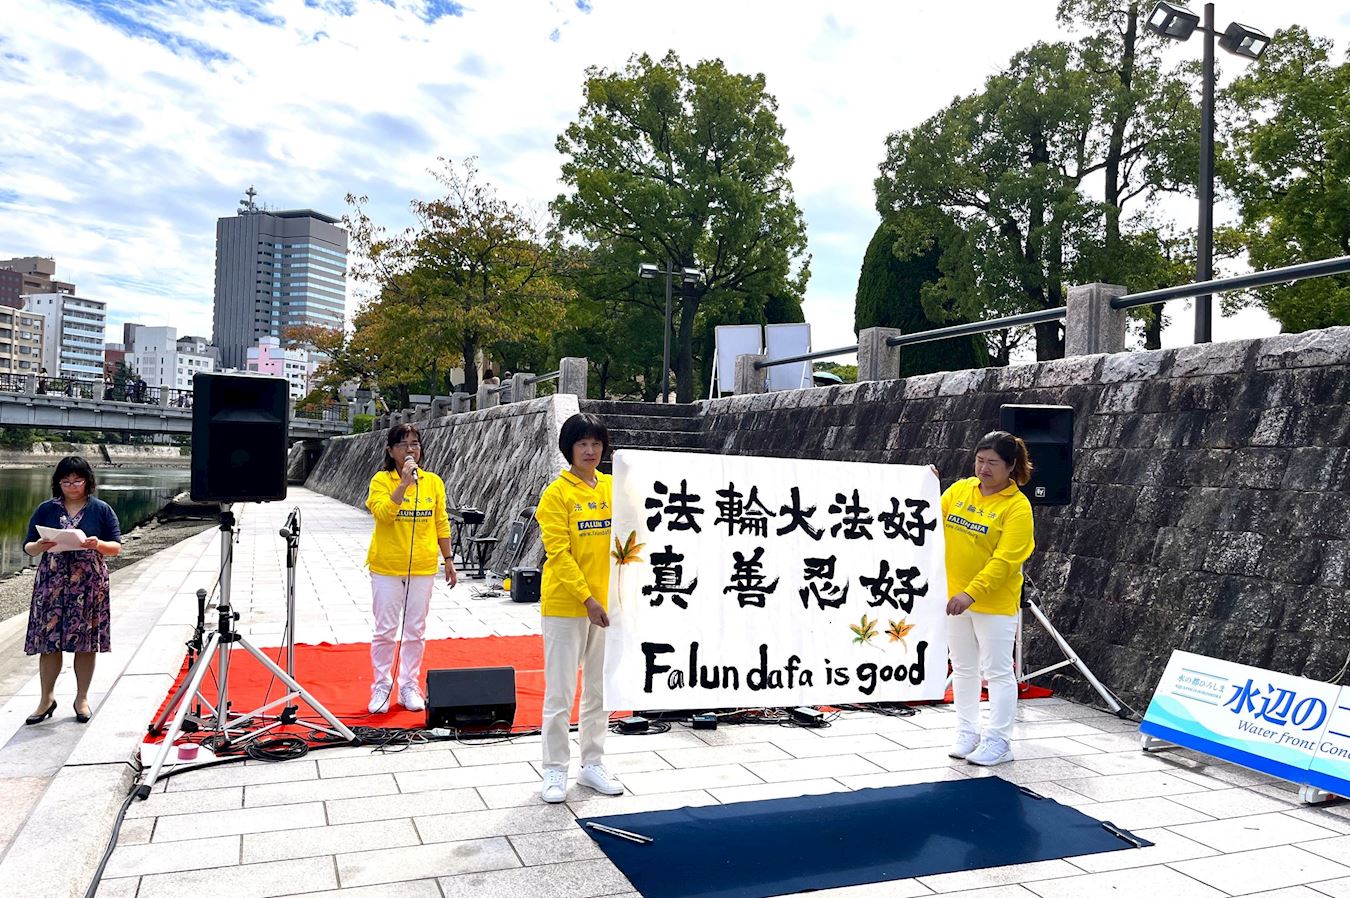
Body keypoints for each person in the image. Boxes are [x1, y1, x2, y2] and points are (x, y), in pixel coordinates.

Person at [536, 413, 624, 803]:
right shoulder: (556, 494)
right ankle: (555, 769)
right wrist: (587, 598)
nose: (590, 451)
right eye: (582, 444)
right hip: (567, 604)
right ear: (568, 448)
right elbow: (558, 553)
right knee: (560, 692)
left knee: (598, 689)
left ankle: (592, 763)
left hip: (606, 606)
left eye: (596, 443)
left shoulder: (612, 487)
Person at [938, 430, 1035, 767]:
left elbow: (1006, 561)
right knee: (963, 668)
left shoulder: (1017, 507)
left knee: (997, 671)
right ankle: (967, 731)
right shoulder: (960, 490)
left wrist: (971, 593)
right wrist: (924, 485)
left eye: (993, 462)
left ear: (1010, 466)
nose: (984, 468)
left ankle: (999, 741)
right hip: (953, 599)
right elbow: (926, 518)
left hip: (992, 603)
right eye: (980, 460)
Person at [365, 423, 458, 714]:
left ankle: (408, 685)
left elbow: (440, 521)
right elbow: (383, 515)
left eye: (415, 444)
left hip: (422, 566)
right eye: (403, 444)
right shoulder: (381, 480)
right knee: (385, 630)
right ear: (391, 450)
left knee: (415, 630)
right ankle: (382, 685)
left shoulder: (433, 482)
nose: (410, 450)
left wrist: (448, 559)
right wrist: (403, 485)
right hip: (387, 567)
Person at [21, 456, 122, 725]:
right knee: (48, 642)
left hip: (88, 582)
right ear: (58, 483)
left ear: (87, 481)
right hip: (52, 580)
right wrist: (39, 546)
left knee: (85, 643)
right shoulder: (46, 509)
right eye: (66, 482)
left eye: (77, 481)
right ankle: (46, 699)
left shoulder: (101, 509)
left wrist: (97, 544)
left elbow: (116, 547)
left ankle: (82, 698)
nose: (72, 486)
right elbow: (28, 546)